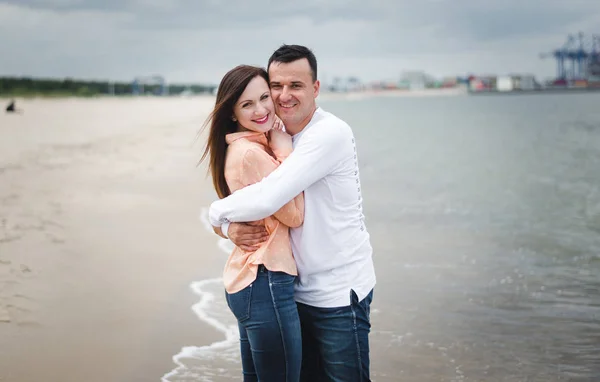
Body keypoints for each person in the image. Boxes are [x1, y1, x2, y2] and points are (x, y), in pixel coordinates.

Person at [209, 45, 376, 381]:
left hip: (337, 295)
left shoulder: (328, 134)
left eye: (296, 85)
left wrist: (217, 215)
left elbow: (267, 197)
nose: (284, 95)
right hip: (291, 291)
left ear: (315, 88)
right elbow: (249, 189)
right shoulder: (274, 136)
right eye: (277, 86)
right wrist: (229, 228)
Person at [199, 65, 305, 381]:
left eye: (263, 98)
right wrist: (284, 149)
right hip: (266, 282)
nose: (260, 110)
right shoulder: (251, 153)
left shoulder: (245, 147)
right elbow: (295, 215)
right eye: (247, 104)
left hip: (251, 282)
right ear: (232, 112)